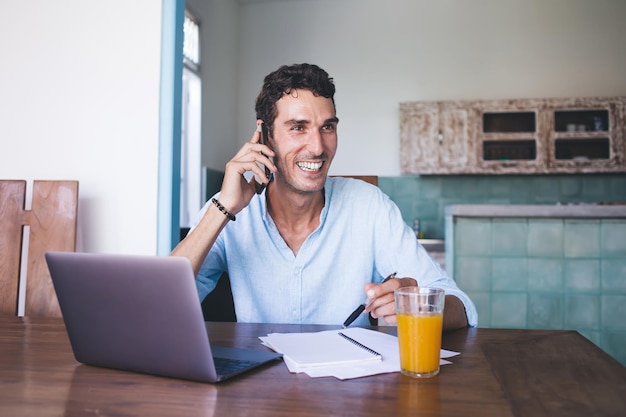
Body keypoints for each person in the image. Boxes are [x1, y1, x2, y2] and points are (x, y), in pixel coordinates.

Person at [171, 63, 477, 330]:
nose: (318, 147)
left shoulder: (369, 206)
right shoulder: (230, 211)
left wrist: (416, 305)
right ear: (266, 137)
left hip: (347, 391)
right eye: (298, 128)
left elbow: (462, 307)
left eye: (327, 127)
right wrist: (223, 208)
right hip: (258, 389)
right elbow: (164, 302)